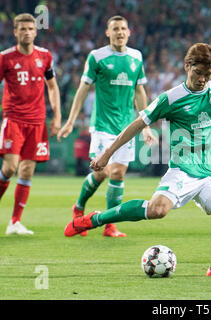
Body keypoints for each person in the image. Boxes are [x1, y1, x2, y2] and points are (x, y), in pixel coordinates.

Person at [64, 42, 211, 277]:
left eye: (208, 74)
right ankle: (96, 219)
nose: (202, 79)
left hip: (209, 174)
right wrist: (107, 153)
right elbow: (137, 124)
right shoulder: (171, 98)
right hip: (182, 170)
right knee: (157, 210)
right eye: (198, 72)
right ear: (186, 66)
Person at [57, 15, 156, 238]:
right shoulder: (97, 57)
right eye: (115, 29)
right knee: (104, 172)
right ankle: (80, 207)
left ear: (129, 32)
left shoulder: (136, 57)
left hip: (126, 127)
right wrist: (71, 120)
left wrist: (146, 124)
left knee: (116, 174)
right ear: (107, 32)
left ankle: (109, 225)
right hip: (102, 126)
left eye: (123, 28)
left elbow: (140, 91)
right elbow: (83, 89)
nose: (120, 32)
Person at [0, 13, 61, 235]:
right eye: (22, 29)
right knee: (11, 167)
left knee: (27, 171)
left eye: (30, 29)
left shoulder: (45, 56)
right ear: (15, 32)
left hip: (37, 121)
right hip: (13, 119)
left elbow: (52, 87)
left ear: (35, 31)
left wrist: (58, 117)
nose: (27, 32)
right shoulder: (5, 57)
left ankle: (15, 222)